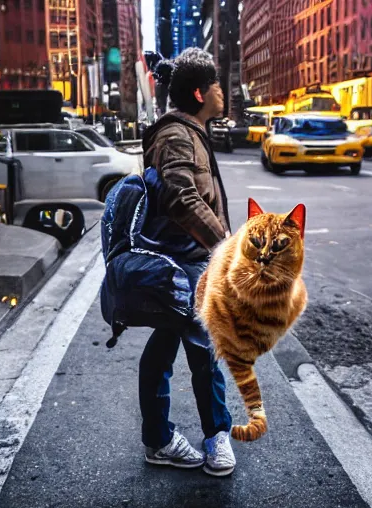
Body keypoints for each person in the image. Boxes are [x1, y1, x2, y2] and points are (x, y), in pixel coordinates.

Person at [138, 48, 235, 477]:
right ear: (199, 92)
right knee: (204, 349)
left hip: (183, 260)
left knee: (162, 350)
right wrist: (224, 246)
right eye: (215, 84)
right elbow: (181, 197)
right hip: (184, 262)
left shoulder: (190, 131)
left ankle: (158, 439)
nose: (221, 91)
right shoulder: (177, 135)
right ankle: (216, 436)